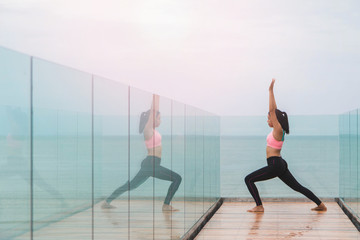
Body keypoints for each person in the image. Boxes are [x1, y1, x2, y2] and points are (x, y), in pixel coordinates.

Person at [244, 79, 327, 212]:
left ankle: (259, 206)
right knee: (297, 186)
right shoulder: (277, 131)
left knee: (248, 179)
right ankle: (320, 205)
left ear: (274, 120)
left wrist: (270, 91)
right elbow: (274, 112)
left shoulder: (278, 130)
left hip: (275, 164)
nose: (267, 119)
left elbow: (272, 110)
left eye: (269, 118)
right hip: (279, 163)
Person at [102, 94, 182, 211]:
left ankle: (107, 201)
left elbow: (154, 113)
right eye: (159, 118)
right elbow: (153, 111)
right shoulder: (148, 129)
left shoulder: (153, 130)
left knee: (131, 185)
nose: (160, 120)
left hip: (151, 164)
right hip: (151, 164)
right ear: (152, 118)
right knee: (177, 178)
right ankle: (166, 205)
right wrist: (156, 96)